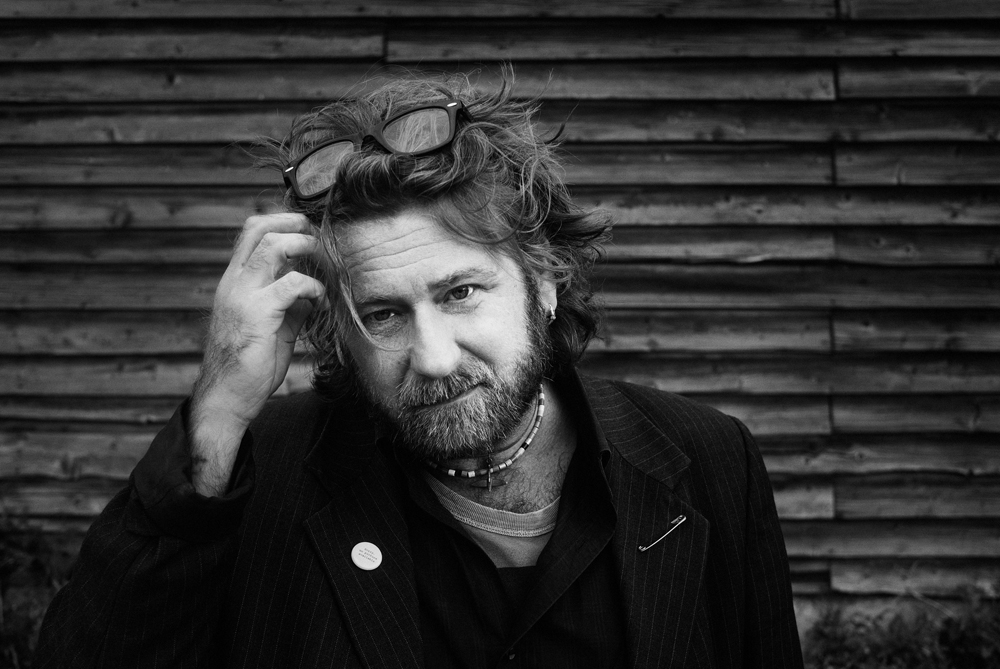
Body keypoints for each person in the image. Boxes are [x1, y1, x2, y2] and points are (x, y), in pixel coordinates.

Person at [36, 71, 803, 668]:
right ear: (340, 330)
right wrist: (218, 413)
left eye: (460, 292)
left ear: (543, 280)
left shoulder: (709, 460)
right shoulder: (261, 470)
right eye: (384, 313)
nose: (433, 357)